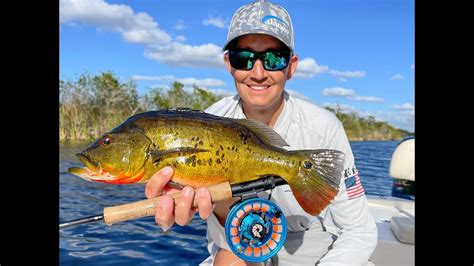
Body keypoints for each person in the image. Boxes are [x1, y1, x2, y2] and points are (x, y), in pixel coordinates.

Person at [144, 0, 377, 265]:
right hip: (236, 244)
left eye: (273, 58)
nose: (258, 73)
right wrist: (208, 205)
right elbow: (223, 241)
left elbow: (359, 230)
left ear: (291, 66)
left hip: (310, 248)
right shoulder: (205, 125)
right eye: (243, 57)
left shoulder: (323, 127)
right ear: (228, 63)